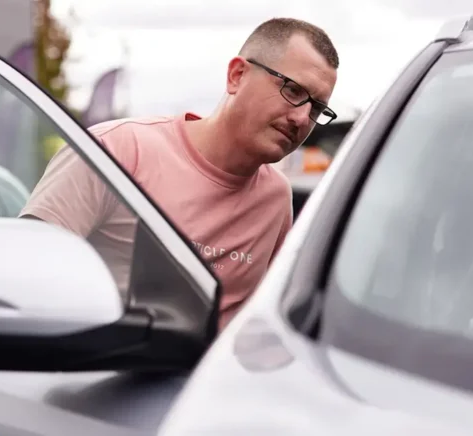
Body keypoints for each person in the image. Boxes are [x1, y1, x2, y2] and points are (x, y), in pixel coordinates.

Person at [20, 17, 339, 330]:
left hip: (209, 382)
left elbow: (261, 328)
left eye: (316, 108)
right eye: (293, 91)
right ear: (237, 75)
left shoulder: (276, 198)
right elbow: (23, 277)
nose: (301, 118)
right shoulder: (114, 151)